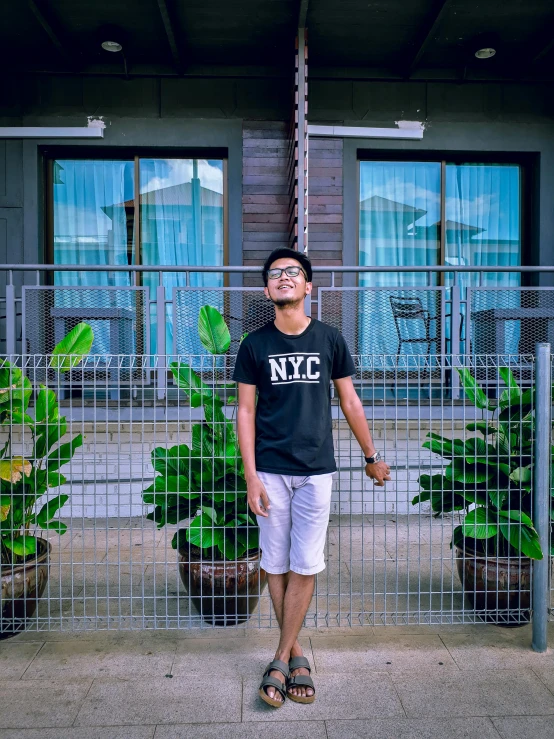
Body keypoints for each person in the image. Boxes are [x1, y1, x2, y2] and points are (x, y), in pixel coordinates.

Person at [233, 247, 391, 708]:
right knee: (275, 563)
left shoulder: (330, 339)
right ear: (267, 290)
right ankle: (296, 656)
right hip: (269, 470)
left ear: (307, 287)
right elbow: (244, 412)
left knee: (304, 563)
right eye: (276, 274)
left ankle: (280, 655)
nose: (284, 278)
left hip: (317, 471)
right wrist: (250, 477)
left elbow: (350, 402)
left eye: (293, 272)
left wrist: (371, 455)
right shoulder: (254, 345)